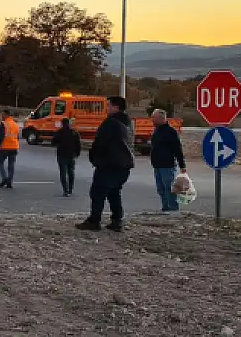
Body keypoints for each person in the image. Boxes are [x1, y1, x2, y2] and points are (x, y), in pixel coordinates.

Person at [77, 95, 135, 233]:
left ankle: (94, 221)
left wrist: (94, 158)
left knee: (98, 192)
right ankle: (117, 221)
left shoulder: (110, 123)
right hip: (124, 164)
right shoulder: (127, 124)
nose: (106, 108)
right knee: (114, 192)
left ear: (116, 107)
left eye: (108, 105)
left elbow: (100, 142)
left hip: (109, 164)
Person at [149, 109, 186, 212]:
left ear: (161, 119)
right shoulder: (156, 131)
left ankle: (173, 209)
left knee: (169, 189)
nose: (152, 120)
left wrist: (182, 165)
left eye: (154, 118)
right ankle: (165, 208)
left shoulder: (171, 132)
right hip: (157, 165)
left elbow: (177, 149)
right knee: (161, 189)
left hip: (167, 165)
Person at [50, 117, 82, 197]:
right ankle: (70, 189)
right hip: (71, 155)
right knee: (71, 171)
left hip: (61, 154)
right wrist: (77, 153)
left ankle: (65, 190)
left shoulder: (59, 132)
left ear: (62, 124)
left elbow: (53, 143)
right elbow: (78, 144)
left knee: (63, 172)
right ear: (69, 123)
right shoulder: (74, 133)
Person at [0, 110, 20, 188]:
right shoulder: (15, 124)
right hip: (14, 147)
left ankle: (4, 178)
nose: (1, 116)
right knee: (11, 165)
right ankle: (9, 182)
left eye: (2, 115)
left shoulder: (4, 124)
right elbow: (17, 137)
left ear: (6, 115)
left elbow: (0, 137)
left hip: (5, 147)